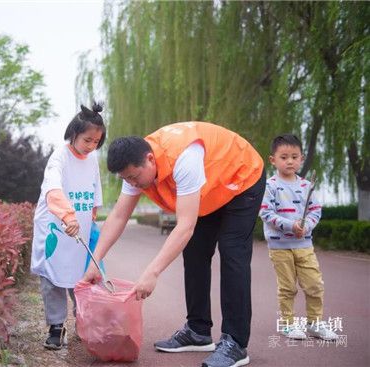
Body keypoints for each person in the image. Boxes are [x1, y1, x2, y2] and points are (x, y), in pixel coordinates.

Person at [83, 121, 265, 367]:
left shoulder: (184, 159)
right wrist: (95, 261)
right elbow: (118, 216)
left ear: (149, 159)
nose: (133, 184)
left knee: (232, 254)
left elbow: (184, 226)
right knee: (195, 252)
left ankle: (235, 343)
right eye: (128, 179)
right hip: (210, 186)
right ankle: (198, 331)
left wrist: (152, 272)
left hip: (241, 176)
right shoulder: (134, 167)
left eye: (135, 177)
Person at [30, 103, 105, 350]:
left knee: (81, 278)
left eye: (96, 141)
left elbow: (95, 188)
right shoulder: (58, 158)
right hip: (56, 226)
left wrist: (92, 214)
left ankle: (84, 322)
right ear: (73, 133)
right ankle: (56, 326)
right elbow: (53, 189)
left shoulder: (92, 158)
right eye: (87, 140)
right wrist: (67, 216)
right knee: (53, 278)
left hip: (79, 228)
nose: (91, 146)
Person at [259, 134, 338, 341]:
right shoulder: (270, 186)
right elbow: (266, 213)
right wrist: (290, 225)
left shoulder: (306, 186)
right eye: (284, 157)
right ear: (273, 160)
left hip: (304, 245)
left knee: (315, 284)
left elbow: (315, 210)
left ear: (301, 159)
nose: (290, 161)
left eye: (294, 156)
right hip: (279, 247)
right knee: (287, 288)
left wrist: (308, 225)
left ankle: (314, 323)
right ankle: (287, 324)